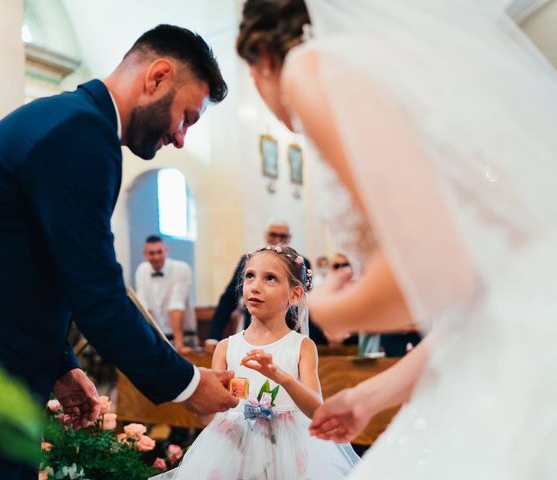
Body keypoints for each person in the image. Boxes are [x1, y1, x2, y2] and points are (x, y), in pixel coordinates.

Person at [237, 0, 557, 477]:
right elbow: (485, 299)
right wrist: (371, 394)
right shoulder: (381, 78)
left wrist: (323, 308)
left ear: (262, 57)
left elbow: (437, 273)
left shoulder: (307, 66)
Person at [0, 25, 239, 478]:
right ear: (158, 77)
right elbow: (99, 296)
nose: (182, 137)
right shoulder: (82, 134)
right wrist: (187, 384)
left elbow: (44, 270)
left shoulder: (73, 122)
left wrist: (60, 364)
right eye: (187, 117)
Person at [150, 245, 359, 479]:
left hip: (289, 450)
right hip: (234, 447)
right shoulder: (226, 347)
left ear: (295, 294)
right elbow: (210, 414)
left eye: (270, 278)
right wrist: (201, 402)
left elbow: (317, 411)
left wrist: (282, 377)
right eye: (250, 276)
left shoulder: (301, 347)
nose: (255, 287)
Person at [205, 219, 332, 350]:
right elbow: (228, 299)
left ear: (289, 238)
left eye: (282, 236)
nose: (277, 239)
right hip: (253, 336)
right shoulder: (249, 260)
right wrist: (214, 336)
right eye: (273, 234)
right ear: (266, 235)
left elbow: (306, 303)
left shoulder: (299, 262)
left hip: (291, 332)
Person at [136, 235, 199, 353]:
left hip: (184, 337)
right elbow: (144, 309)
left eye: (159, 252)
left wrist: (179, 345)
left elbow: (176, 305)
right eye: (151, 253)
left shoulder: (181, 268)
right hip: (157, 338)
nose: (156, 257)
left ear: (166, 251)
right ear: (144, 254)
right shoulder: (141, 270)